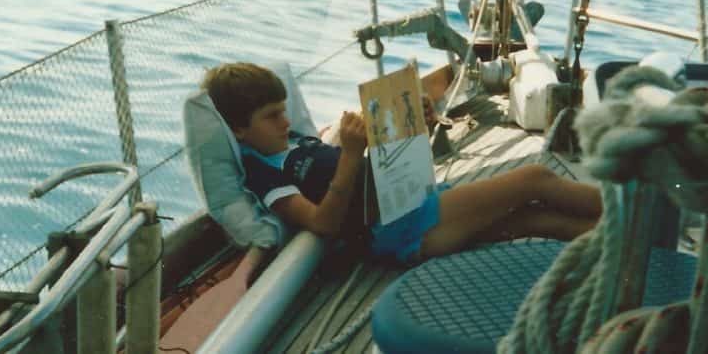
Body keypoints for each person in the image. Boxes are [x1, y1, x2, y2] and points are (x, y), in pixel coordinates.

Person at [201, 62, 602, 264]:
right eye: (271, 116)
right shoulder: (263, 173)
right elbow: (323, 223)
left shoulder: (295, 142)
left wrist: (412, 128)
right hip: (396, 230)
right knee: (533, 179)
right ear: (238, 130)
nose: (284, 121)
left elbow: (374, 173)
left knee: (533, 219)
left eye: (284, 110)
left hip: (410, 209)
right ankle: (637, 209)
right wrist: (352, 154)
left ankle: (631, 238)